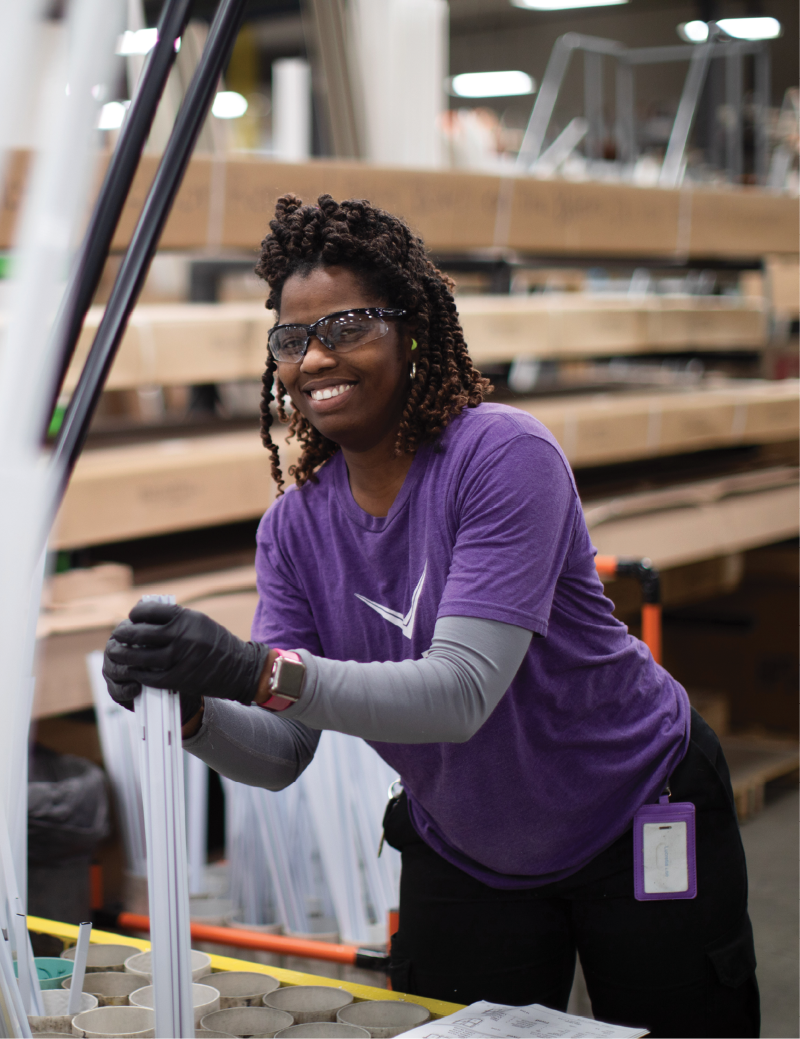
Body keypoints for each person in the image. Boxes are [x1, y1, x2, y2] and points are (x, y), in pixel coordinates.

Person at [104, 194, 759, 1038]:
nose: (313, 358)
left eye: (344, 326)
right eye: (291, 339)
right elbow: (281, 754)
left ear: (412, 330)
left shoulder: (501, 456)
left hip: (633, 805)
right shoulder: (295, 530)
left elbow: (460, 694)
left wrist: (252, 669)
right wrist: (195, 708)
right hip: (467, 844)